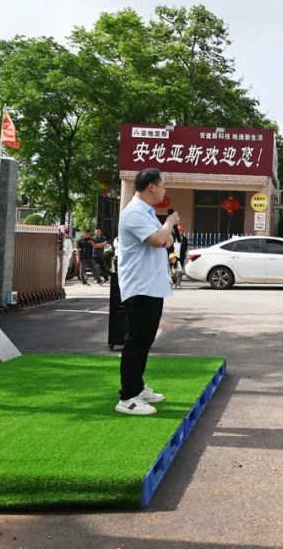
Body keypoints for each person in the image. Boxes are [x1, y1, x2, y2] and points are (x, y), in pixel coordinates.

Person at [115, 168, 179, 416]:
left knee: (145, 340)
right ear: (151, 186)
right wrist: (169, 223)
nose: (164, 190)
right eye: (162, 185)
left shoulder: (147, 212)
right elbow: (158, 240)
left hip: (151, 286)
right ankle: (128, 397)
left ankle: (138, 387)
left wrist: (165, 232)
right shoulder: (133, 212)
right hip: (140, 286)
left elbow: (167, 241)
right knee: (136, 340)